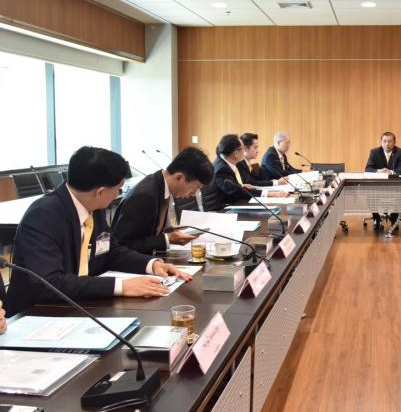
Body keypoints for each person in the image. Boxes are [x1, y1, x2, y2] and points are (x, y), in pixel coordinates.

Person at [6, 147, 191, 317]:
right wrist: (121, 286)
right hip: (37, 313)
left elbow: (111, 251)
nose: (118, 194)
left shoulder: (93, 206)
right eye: (118, 190)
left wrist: (151, 264)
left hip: (80, 304)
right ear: (100, 192)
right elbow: (50, 283)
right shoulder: (43, 215)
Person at [111, 147, 214, 255]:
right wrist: (166, 239)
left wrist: (168, 230)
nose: (194, 194)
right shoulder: (145, 196)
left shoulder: (160, 185)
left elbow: (148, 231)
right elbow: (122, 245)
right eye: (196, 187)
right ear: (179, 177)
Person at [215, 135, 288, 205]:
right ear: (236, 153)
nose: (244, 151)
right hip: (223, 209)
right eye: (243, 148)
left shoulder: (226, 163)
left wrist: (241, 186)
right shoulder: (222, 169)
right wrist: (270, 193)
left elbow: (235, 188)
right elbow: (236, 191)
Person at [365, 132, 401, 230]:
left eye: (390, 141)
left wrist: (391, 172)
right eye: (384, 141)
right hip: (377, 186)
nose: (387, 144)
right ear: (381, 142)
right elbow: (368, 169)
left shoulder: (400, 153)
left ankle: (394, 218)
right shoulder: (374, 152)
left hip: (395, 186)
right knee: (370, 194)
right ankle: (376, 219)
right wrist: (379, 171)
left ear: (394, 142)